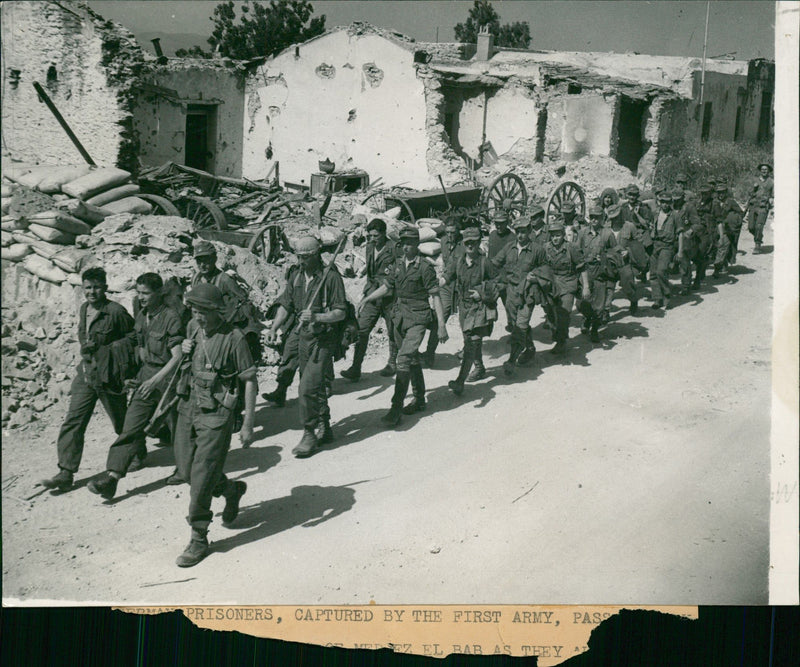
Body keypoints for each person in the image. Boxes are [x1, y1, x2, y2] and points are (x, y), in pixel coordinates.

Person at [172, 283, 257, 568]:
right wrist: (184, 349)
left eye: (203, 312)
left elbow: (249, 380)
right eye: (194, 310)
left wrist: (248, 423)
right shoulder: (193, 330)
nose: (198, 317)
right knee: (186, 471)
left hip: (217, 414)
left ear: (217, 311)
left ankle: (198, 536)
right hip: (189, 406)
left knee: (201, 477)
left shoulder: (234, 338)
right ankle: (231, 491)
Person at [88, 273, 185, 499]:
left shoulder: (171, 317)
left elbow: (177, 357)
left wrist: (155, 381)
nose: (141, 297)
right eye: (138, 293)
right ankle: (112, 477)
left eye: (146, 293)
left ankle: (185, 467)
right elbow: (140, 351)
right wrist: (134, 376)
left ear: (159, 293)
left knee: (177, 428)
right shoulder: (142, 316)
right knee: (130, 427)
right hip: (146, 376)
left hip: (169, 379)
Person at [41, 267, 135, 492]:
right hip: (87, 373)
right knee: (74, 420)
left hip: (109, 375)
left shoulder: (115, 311)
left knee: (121, 420)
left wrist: (110, 350)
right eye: (88, 288)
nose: (92, 292)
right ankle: (66, 471)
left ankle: (136, 451)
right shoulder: (84, 308)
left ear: (105, 287)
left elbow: (134, 337)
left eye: (96, 287)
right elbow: (84, 335)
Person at [358, 227, 448, 427]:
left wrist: (441, 326)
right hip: (400, 318)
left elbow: (435, 296)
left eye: (410, 243)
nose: (406, 247)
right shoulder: (397, 264)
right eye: (403, 243)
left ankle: (396, 408)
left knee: (404, 359)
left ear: (417, 245)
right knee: (412, 359)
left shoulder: (425, 267)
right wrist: (367, 298)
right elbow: (387, 286)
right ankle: (419, 398)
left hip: (418, 318)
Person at [266, 236, 346, 456]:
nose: (301, 261)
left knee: (306, 388)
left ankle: (309, 432)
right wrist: (274, 327)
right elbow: (286, 304)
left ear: (316, 255)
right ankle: (326, 427)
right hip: (303, 339)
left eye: (305, 257)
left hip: (323, 341)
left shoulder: (331, 277)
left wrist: (318, 317)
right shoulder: (296, 275)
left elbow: (341, 312)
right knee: (315, 386)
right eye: (298, 257)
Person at [340, 218, 398, 381]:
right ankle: (356, 368)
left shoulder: (394, 249)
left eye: (376, 236)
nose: (372, 239)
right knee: (362, 330)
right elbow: (370, 275)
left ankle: (392, 362)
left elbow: (393, 277)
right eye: (370, 235)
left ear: (384, 234)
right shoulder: (370, 247)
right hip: (372, 294)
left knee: (392, 330)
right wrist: (365, 294)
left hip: (390, 296)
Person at [491, 216, 548, 374]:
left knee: (520, 327)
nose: (521, 235)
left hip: (527, 293)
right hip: (511, 293)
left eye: (524, 232)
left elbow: (546, 269)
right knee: (516, 325)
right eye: (518, 232)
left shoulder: (537, 249)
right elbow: (495, 263)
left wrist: (535, 275)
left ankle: (511, 361)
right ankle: (530, 348)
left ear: (529, 231)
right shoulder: (509, 248)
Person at [191, 240, 263, 364]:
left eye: (206, 260)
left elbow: (244, 301)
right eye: (199, 261)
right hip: (202, 325)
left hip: (222, 327)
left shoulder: (224, 280)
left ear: (214, 259)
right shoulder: (196, 279)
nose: (202, 265)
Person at [445, 226, 498, 393]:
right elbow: (447, 276)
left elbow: (498, 281)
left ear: (478, 242)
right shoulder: (459, 261)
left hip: (479, 308)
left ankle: (460, 381)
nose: (470, 246)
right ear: (463, 243)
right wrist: (435, 284)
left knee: (471, 343)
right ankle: (479, 367)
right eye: (467, 242)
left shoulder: (484, 262)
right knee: (469, 340)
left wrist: (482, 293)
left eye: (474, 242)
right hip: (464, 308)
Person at [543, 220, 589, 355]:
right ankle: (558, 335)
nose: (555, 238)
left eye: (557, 235)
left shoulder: (571, 248)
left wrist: (586, 286)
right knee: (550, 314)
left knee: (564, 313)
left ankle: (561, 342)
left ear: (563, 235)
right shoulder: (546, 248)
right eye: (552, 235)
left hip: (568, 283)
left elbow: (582, 268)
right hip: (552, 284)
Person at [576, 205, 620, 341]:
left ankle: (595, 329)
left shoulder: (607, 234)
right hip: (585, 271)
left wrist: (606, 257)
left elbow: (616, 253)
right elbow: (577, 252)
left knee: (599, 306)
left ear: (602, 218)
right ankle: (587, 317)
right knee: (581, 303)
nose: (594, 220)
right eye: (592, 217)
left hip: (601, 273)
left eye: (597, 217)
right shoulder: (583, 233)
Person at [422, 217, 462, 367]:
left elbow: (455, 263)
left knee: (466, 320)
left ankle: (469, 351)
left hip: (461, 285)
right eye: (448, 232)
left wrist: (444, 278)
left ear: (458, 232)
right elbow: (446, 263)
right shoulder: (444, 242)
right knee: (440, 318)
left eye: (453, 233)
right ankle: (430, 353)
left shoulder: (464, 244)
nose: (450, 235)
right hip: (447, 285)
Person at [605, 204, 642, 315]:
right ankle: (606, 310)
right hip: (610, 263)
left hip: (624, 263)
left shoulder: (629, 226)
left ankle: (633, 301)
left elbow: (638, 244)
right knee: (608, 287)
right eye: (612, 218)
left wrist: (629, 251)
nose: (614, 220)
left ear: (621, 215)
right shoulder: (605, 228)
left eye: (616, 217)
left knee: (628, 286)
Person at [671, 189, 708, 294]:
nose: (675, 202)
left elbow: (697, 223)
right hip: (673, 238)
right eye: (674, 200)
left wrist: (691, 230)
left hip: (686, 239)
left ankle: (686, 285)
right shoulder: (671, 207)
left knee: (684, 257)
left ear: (682, 198)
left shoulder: (689, 208)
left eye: (677, 200)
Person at [486, 210, 516, 330]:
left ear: (507, 222)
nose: (499, 226)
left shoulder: (512, 238)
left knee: (509, 305)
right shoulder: (492, 235)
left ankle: (514, 329)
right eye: (496, 223)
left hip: (506, 278)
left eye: (502, 223)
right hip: (492, 277)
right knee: (488, 303)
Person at [649, 191, 679, 309]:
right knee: (653, 274)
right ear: (659, 202)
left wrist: (680, 251)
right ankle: (657, 299)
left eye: (667, 202)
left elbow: (680, 234)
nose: (665, 205)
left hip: (667, 246)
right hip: (655, 244)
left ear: (671, 203)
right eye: (662, 202)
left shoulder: (674, 215)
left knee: (661, 271)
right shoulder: (655, 213)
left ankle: (666, 294)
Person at [619, 184, 654, 273]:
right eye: (630, 194)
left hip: (639, 233)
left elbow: (646, 225)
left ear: (637, 196)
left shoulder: (643, 207)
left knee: (643, 251)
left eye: (634, 195)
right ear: (626, 195)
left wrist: (637, 214)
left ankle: (644, 270)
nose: (632, 197)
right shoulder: (623, 207)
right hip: (627, 233)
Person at [712, 182, 745, 275]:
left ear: (726, 192)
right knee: (715, 247)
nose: (720, 194)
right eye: (718, 192)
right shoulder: (714, 202)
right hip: (715, 228)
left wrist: (733, 220)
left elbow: (740, 213)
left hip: (727, 228)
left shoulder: (730, 202)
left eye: (722, 192)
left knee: (725, 246)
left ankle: (720, 267)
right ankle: (721, 264)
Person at [747, 162, 774, 252]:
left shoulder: (771, 182)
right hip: (753, 206)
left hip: (763, 207)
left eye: (766, 169)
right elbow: (749, 193)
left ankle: (757, 245)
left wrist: (771, 200)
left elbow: (773, 195)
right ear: (760, 171)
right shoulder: (755, 180)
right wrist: (754, 188)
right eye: (762, 169)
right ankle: (759, 236)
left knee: (759, 226)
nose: (764, 171)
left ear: (769, 171)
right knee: (751, 227)